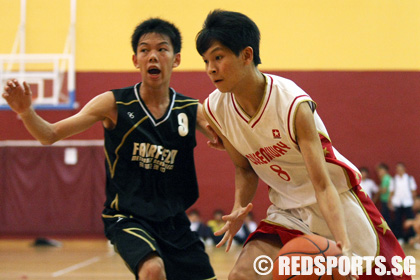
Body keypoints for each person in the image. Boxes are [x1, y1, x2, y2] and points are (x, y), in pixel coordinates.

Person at [195, 10, 410, 280]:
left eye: (218, 57)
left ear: (247, 55)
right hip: (287, 209)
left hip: (336, 205)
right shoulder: (217, 108)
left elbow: (322, 184)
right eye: (205, 61)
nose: (210, 69)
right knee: (241, 275)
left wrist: (343, 244)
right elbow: (245, 168)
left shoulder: (292, 105)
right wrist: (239, 206)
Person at [2, 18, 219, 280]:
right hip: (127, 217)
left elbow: (236, 146)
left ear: (176, 59)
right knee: (152, 270)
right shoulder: (113, 103)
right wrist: (26, 112)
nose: (153, 56)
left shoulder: (191, 110)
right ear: (135, 60)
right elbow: (50, 135)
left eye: (162, 49)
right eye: (144, 50)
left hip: (175, 222)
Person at [389, 162, 417, 245]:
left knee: (411, 220)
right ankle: (399, 237)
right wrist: (390, 202)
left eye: (401, 169)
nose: (399, 170)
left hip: (408, 202)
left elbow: (413, 191)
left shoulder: (409, 178)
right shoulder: (394, 180)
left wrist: (414, 201)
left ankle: (413, 238)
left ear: (404, 169)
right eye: (398, 169)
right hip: (397, 202)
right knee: (398, 221)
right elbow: (391, 192)